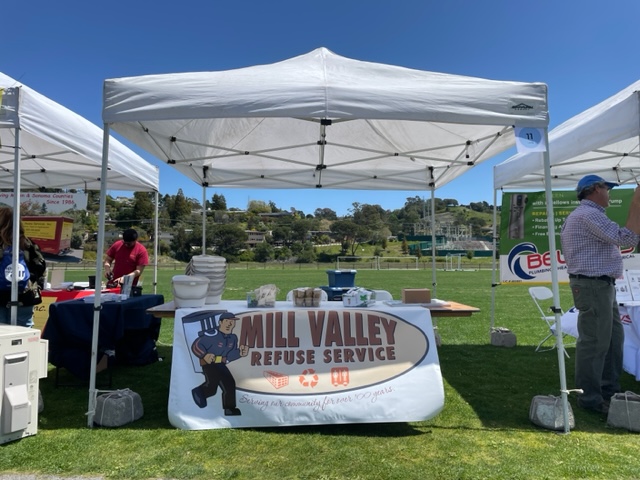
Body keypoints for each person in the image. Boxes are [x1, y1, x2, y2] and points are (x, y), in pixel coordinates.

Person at [560, 175, 640, 414]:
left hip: (599, 286)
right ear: (595, 189)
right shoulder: (589, 215)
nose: (609, 193)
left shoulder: (588, 215)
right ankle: (591, 399)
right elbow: (627, 238)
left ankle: (608, 391)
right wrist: (636, 202)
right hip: (594, 286)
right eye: (607, 188)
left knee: (613, 340)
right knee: (595, 343)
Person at [0, 207, 47, 328]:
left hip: (0, 297)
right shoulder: (28, 244)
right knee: (24, 334)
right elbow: (40, 266)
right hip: (24, 296)